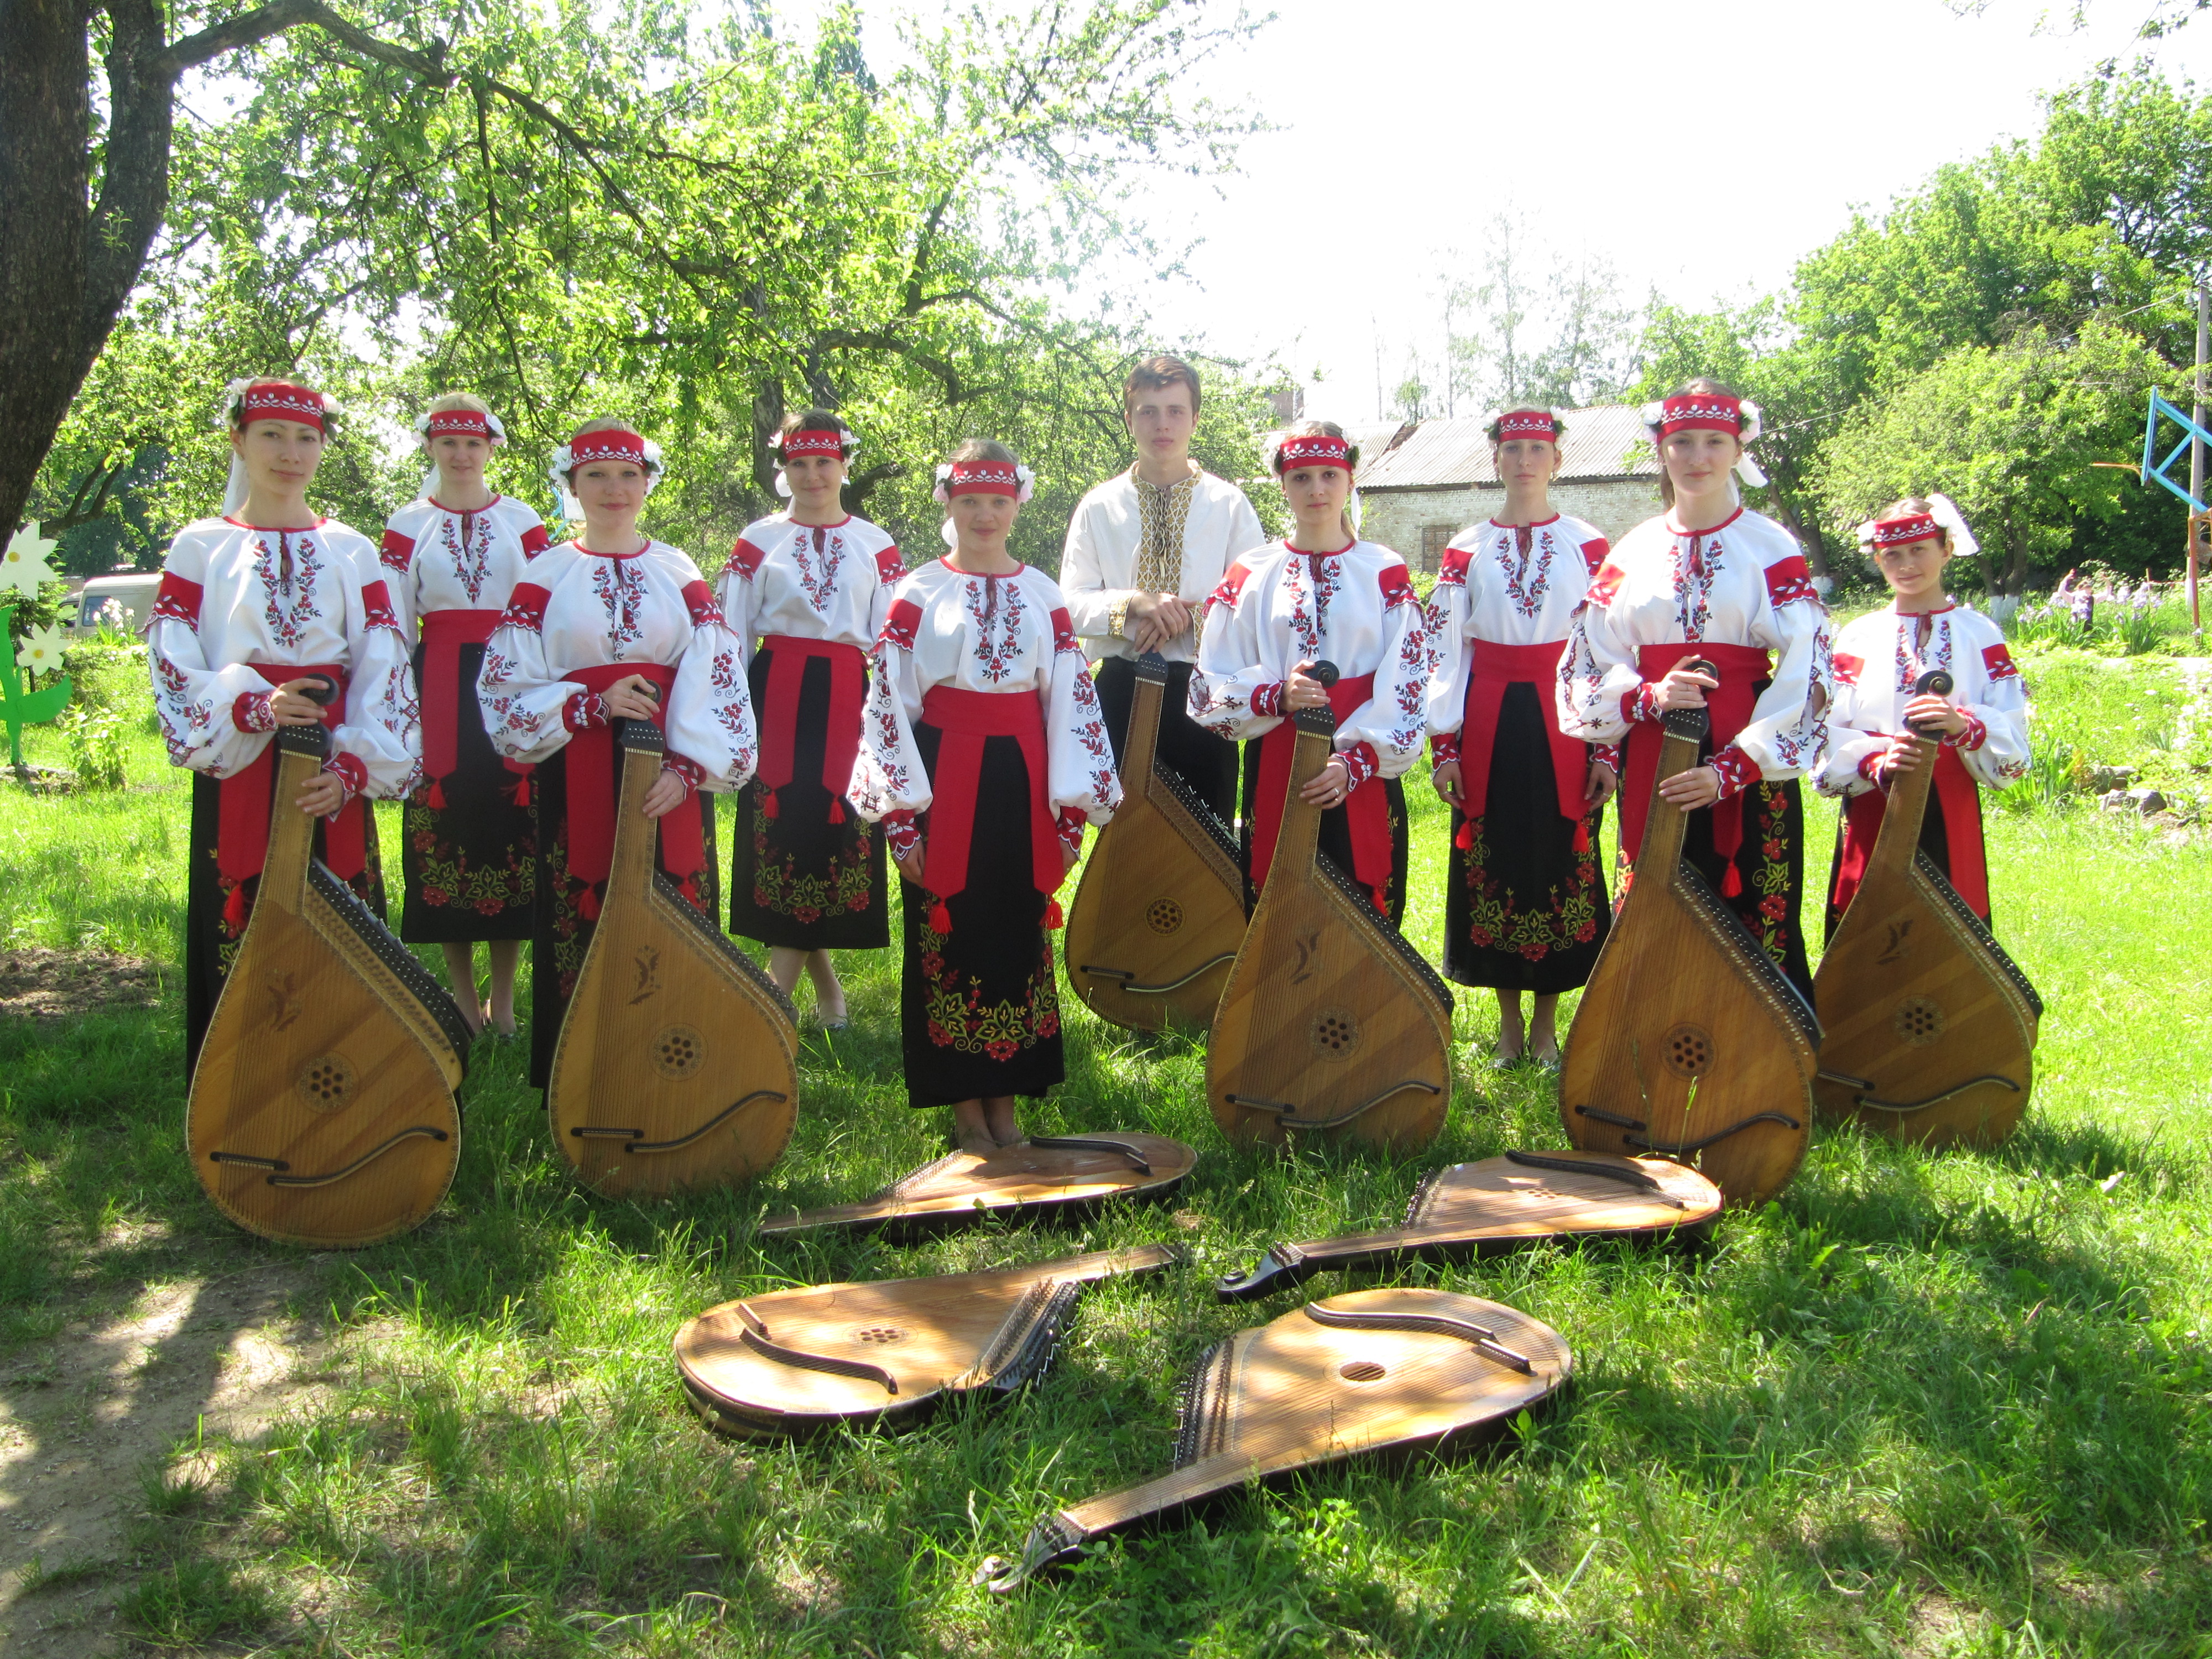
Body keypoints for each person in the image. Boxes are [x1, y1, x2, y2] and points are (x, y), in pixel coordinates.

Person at [847, 440, 1121, 1152]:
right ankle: (965, 1110)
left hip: (1021, 781)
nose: (985, 513)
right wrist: (901, 821)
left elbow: (1068, 699)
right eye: (970, 499)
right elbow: (887, 705)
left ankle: (1006, 1104)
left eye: (998, 500)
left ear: (1018, 503)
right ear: (949, 502)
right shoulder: (915, 593)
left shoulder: (1043, 594)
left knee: (1014, 931)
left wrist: (1069, 814)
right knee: (950, 930)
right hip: (945, 779)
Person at [148, 377, 419, 1078]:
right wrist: (251, 705)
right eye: (271, 434)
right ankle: (242, 1088)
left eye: (306, 437)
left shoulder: (352, 549)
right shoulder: (199, 546)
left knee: (342, 918)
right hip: (239, 758)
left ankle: (347, 1081)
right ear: (238, 440)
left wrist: (355, 766)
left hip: (332, 763)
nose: (290, 453)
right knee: (241, 913)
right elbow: (173, 659)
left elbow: (384, 663)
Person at [477, 420, 758, 1087]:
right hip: (577, 772)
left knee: (674, 908)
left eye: (628, 474)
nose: (614, 489)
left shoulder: (677, 570)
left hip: (666, 772)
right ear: (571, 485)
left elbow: (716, 673)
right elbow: (504, 687)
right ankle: (584, 1075)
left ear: (647, 483)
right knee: (585, 908)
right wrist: (585, 705)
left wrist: (689, 768)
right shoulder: (544, 574)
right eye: (596, 475)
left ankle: (678, 1073)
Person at [1558, 379, 1832, 998]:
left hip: (1748, 757)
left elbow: (1810, 668)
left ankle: (1758, 1067)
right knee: (1657, 904)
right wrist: (1644, 697)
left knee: (1756, 906)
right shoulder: (1633, 550)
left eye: (1714, 441)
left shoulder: (1771, 546)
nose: (1697, 456)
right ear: (1661, 449)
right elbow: (1587, 661)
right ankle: (1643, 1062)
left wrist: (1736, 767)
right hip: (1655, 755)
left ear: (1739, 449)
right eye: (1682, 441)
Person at [1427, 409, 1619, 1068]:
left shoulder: (1590, 544)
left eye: (1538, 449)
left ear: (1558, 460)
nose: (1525, 461)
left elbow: (1606, 648)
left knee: (1560, 860)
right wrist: (1445, 747)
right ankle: (1508, 1026)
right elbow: (1445, 652)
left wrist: (1606, 748)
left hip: (1565, 718)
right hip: (1489, 719)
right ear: (1496, 461)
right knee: (1497, 856)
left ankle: (1547, 1028)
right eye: (1513, 449)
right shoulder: (1466, 546)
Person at [1189, 422, 1432, 924]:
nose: (1316, 489)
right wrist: (1275, 696)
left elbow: (1408, 682)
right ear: (1283, 485)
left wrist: (1356, 762)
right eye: (1301, 477)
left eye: (1329, 475)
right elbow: (1208, 683)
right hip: (1279, 760)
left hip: (1361, 767)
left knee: (1365, 920)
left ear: (1349, 480)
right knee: (1280, 912)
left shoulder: (1383, 570)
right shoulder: (1252, 572)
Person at [718, 410, 901, 1027]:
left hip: (849, 696)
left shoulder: (875, 544)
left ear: (844, 464)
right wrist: (727, 712)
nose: (813, 475)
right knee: (786, 832)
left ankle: (774, 1005)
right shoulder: (758, 539)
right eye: (799, 463)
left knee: (828, 832)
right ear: (784, 468)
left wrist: (892, 716)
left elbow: (891, 638)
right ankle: (806, 1001)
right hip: (777, 694)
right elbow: (732, 631)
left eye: (824, 462)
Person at [380, 393, 550, 1038]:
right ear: (430, 447)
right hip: (440, 683)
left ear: (490, 448)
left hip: (510, 679)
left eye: (472, 444)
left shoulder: (522, 519)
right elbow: (393, 621)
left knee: (510, 826)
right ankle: (459, 996)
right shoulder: (406, 524)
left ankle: (503, 1001)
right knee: (447, 826)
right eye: (448, 443)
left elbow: (544, 603)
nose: (460, 455)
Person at [1060, 356, 1264, 823]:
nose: (1162, 424)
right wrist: (1134, 603)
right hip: (1120, 691)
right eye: (1148, 411)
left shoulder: (1229, 505)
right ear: (1130, 418)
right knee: (1121, 843)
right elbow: (1068, 605)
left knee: (1204, 847)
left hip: (1203, 693)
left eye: (1175, 410)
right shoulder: (1099, 506)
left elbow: (1255, 608)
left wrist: (1186, 617)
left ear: (1195, 417)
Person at [1818, 496, 2028, 933]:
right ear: (1878, 559)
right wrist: (1873, 761)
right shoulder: (1859, 636)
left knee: (1951, 927)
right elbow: (1826, 726)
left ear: (1946, 550)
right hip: (1877, 798)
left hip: (1951, 799)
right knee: (1870, 926)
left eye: (1919, 550)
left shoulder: (1980, 633)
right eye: (1892, 554)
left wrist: (1966, 725)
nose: (1906, 564)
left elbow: (2012, 731)